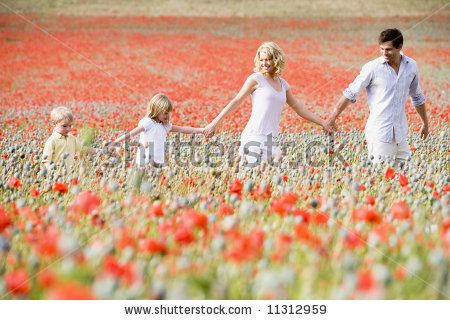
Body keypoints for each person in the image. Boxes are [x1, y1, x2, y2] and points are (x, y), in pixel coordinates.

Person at [203, 41, 333, 167]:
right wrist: (214, 123)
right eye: (261, 60)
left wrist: (323, 122)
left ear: (276, 60)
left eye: (268, 59)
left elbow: (300, 109)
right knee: (251, 178)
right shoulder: (255, 79)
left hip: (272, 139)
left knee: (270, 181)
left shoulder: (283, 84)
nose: (264, 63)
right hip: (254, 135)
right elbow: (236, 101)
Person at [326, 28, 429, 166]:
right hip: (380, 133)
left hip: (400, 133)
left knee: (406, 176)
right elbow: (351, 92)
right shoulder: (372, 67)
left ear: (400, 47)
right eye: (381, 49)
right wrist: (333, 118)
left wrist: (425, 123)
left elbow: (417, 96)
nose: (384, 53)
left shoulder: (411, 66)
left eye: (388, 49)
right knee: (381, 175)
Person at [108, 93, 204, 167]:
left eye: (168, 113)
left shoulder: (165, 126)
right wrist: (115, 143)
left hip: (159, 164)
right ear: (156, 111)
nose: (167, 116)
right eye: (165, 113)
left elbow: (183, 129)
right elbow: (131, 134)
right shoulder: (148, 123)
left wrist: (202, 130)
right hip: (144, 162)